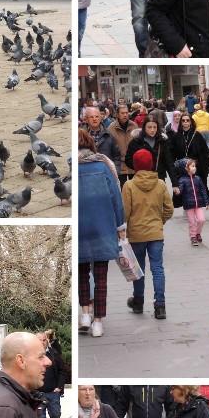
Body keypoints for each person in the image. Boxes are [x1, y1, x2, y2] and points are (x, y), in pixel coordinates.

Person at [78, 128, 125, 338]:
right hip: (103, 228)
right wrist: (120, 226)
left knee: (81, 275)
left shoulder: (71, 168)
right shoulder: (102, 166)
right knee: (101, 277)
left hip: (79, 230)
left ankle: (85, 314)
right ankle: (98, 322)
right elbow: (116, 196)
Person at [123, 147, 174, 320]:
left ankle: (138, 301)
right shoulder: (160, 184)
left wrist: (126, 229)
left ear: (135, 166)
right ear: (151, 164)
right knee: (157, 269)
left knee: (139, 270)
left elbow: (125, 213)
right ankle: (160, 306)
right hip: (156, 233)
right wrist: (159, 222)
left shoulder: (129, 185)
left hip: (136, 234)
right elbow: (169, 209)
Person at [168, 113, 209, 200]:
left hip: (196, 167)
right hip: (182, 168)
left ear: (191, 122)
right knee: (184, 190)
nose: (185, 122)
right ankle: (187, 209)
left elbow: (205, 152)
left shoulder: (197, 135)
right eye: (183, 120)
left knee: (196, 190)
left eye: (187, 120)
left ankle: (197, 208)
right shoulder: (176, 136)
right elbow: (172, 153)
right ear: (181, 123)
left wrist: (204, 166)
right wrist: (174, 167)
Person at [36, 329, 65, 418]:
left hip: (53, 392)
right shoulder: (31, 355)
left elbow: (62, 370)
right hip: (38, 393)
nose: (42, 342)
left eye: (44, 340)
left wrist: (59, 387)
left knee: (56, 415)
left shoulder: (53, 353)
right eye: (40, 340)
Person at [107, 104, 139, 185]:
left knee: (135, 189)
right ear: (117, 114)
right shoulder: (111, 128)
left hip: (133, 163)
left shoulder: (134, 126)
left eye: (126, 113)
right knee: (122, 190)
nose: (125, 115)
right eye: (122, 113)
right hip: (119, 165)